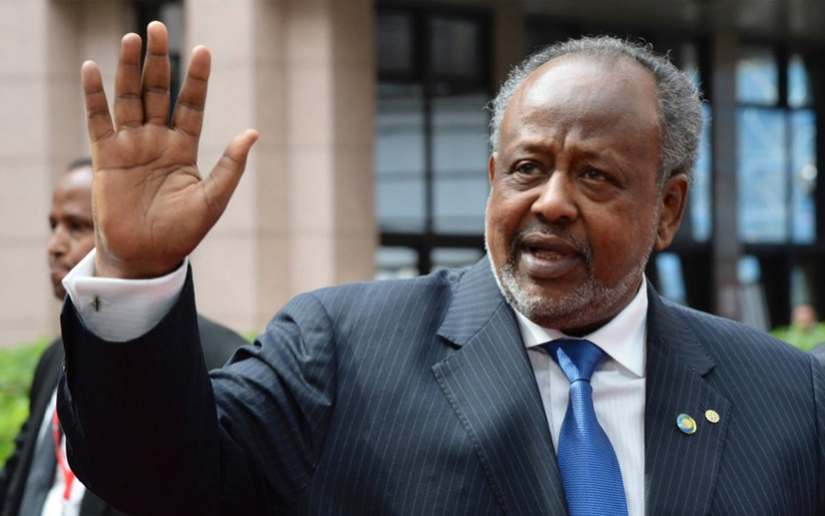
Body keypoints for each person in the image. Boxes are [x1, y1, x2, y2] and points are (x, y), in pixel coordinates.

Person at [55, 21, 824, 516]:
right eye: (526, 169)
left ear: (667, 209)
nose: (551, 202)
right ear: (492, 180)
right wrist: (136, 270)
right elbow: (157, 479)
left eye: (594, 177)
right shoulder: (341, 349)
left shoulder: (789, 398)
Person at [0, 160, 247, 516]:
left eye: (77, 226)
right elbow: (19, 481)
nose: (55, 245)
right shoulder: (54, 358)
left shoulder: (215, 357)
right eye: (54, 226)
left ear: (133, 232)